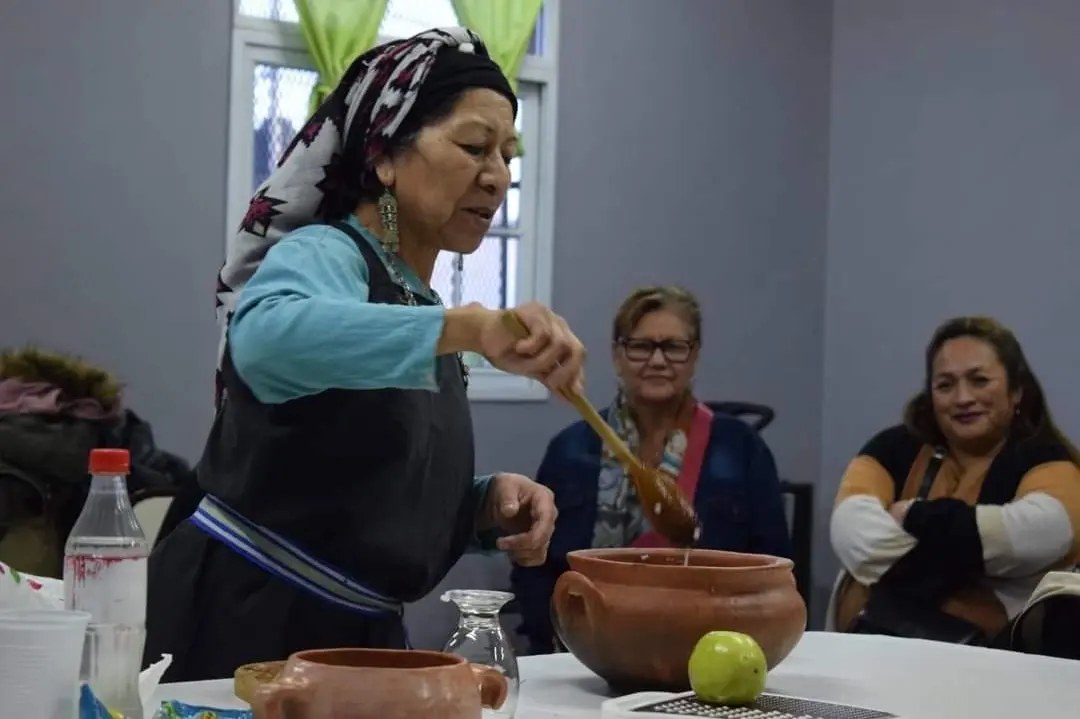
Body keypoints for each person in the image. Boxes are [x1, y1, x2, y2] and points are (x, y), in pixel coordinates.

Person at [144, 28, 586, 681]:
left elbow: (357, 480)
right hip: (244, 626)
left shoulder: (418, 298)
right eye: (472, 147)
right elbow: (261, 341)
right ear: (384, 155)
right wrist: (464, 328)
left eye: (508, 155)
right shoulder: (325, 254)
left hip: (355, 638)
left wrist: (483, 503)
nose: (496, 176)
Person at [511, 286, 793, 655]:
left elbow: (772, 568)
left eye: (674, 347)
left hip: (711, 653)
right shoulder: (570, 449)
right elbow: (533, 563)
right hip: (584, 654)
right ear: (617, 355)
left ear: (694, 357)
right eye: (641, 346)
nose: (658, 361)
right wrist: (557, 641)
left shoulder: (740, 448)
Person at [829, 316, 1080, 644]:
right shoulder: (893, 448)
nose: (962, 398)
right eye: (945, 385)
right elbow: (851, 527)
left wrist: (913, 516)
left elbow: (1037, 533)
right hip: (864, 648)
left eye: (979, 380)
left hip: (992, 666)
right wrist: (967, 562)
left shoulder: (1049, 459)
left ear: (1016, 391)